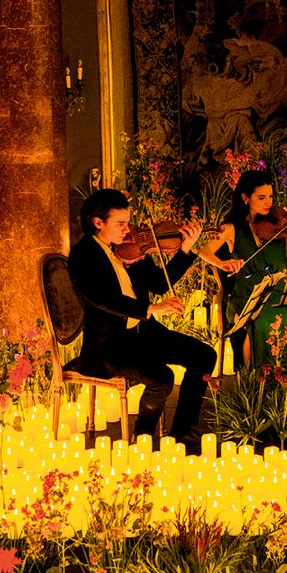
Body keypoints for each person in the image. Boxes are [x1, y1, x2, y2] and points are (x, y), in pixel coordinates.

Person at [67, 188, 217, 448]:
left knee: (204, 355)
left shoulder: (128, 249)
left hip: (143, 334)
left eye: (128, 222)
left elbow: (159, 283)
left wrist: (186, 250)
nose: (128, 229)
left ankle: (181, 431)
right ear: (98, 223)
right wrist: (151, 309)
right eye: (121, 223)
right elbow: (104, 299)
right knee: (162, 378)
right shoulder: (83, 255)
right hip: (109, 346)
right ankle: (143, 438)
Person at [199, 170, 287, 367]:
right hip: (248, 295)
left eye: (270, 196)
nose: (268, 202)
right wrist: (221, 263)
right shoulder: (231, 227)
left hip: (278, 292)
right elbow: (204, 251)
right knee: (263, 322)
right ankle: (257, 382)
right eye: (261, 197)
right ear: (245, 197)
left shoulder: (281, 227)